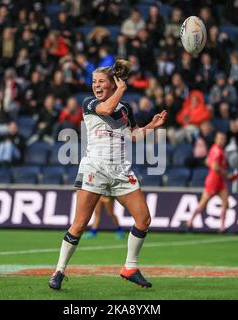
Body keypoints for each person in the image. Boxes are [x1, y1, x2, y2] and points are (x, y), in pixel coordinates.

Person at [49, 59, 167, 290]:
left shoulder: (125, 109)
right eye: (94, 81)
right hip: (95, 168)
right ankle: (59, 271)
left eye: (101, 81)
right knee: (80, 224)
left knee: (144, 219)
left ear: (111, 83)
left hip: (121, 170)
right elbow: (106, 109)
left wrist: (151, 126)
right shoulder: (89, 103)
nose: (96, 85)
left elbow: (132, 134)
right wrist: (122, 88)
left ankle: (130, 267)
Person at [186, 132, 238, 232]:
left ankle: (222, 227)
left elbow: (207, 161)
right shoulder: (217, 151)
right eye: (220, 139)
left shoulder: (215, 149)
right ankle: (190, 221)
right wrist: (227, 174)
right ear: (216, 139)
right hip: (213, 180)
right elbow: (215, 166)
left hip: (219, 180)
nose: (222, 141)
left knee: (225, 202)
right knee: (203, 204)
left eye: (224, 139)